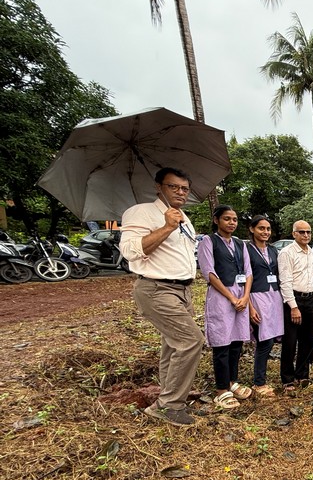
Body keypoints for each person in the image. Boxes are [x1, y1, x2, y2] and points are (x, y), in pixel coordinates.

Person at [119, 167, 204, 427]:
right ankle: (170, 406)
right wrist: (167, 226)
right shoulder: (141, 212)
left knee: (173, 345)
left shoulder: (183, 217)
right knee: (191, 341)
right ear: (159, 186)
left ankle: (167, 398)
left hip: (182, 290)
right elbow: (130, 251)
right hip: (157, 288)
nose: (180, 192)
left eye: (184, 188)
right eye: (173, 187)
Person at [198, 206, 253, 408]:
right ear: (216, 220)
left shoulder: (240, 244)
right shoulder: (208, 242)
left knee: (236, 341)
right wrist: (231, 297)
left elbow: (248, 272)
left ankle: (232, 381)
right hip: (222, 297)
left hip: (241, 296)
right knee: (222, 342)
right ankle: (221, 389)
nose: (231, 223)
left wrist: (245, 296)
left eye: (235, 219)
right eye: (227, 219)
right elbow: (209, 272)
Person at [246, 215, 284, 396]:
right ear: (252, 229)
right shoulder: (246, 250)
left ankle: (261, 378)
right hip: (256, 296)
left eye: (268, 229)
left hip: (274, 296)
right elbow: (245, 276)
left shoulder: (273, 251)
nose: (265, 232)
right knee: (264, 339)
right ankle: (259, 382)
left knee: (272, 339)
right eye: (261, 228)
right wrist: (250, 307)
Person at [277, 220, 313, 390]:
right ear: (294, 234)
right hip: (294, 299)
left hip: (310, 298)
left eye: (308, 232)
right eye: (302, 232)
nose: (306, 235)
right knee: (290, 341)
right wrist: (293, 307)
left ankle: (302, 374)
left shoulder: (311, 251)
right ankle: (287, 378)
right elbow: (285, 281)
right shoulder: (286, 253)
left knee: (308, 340)